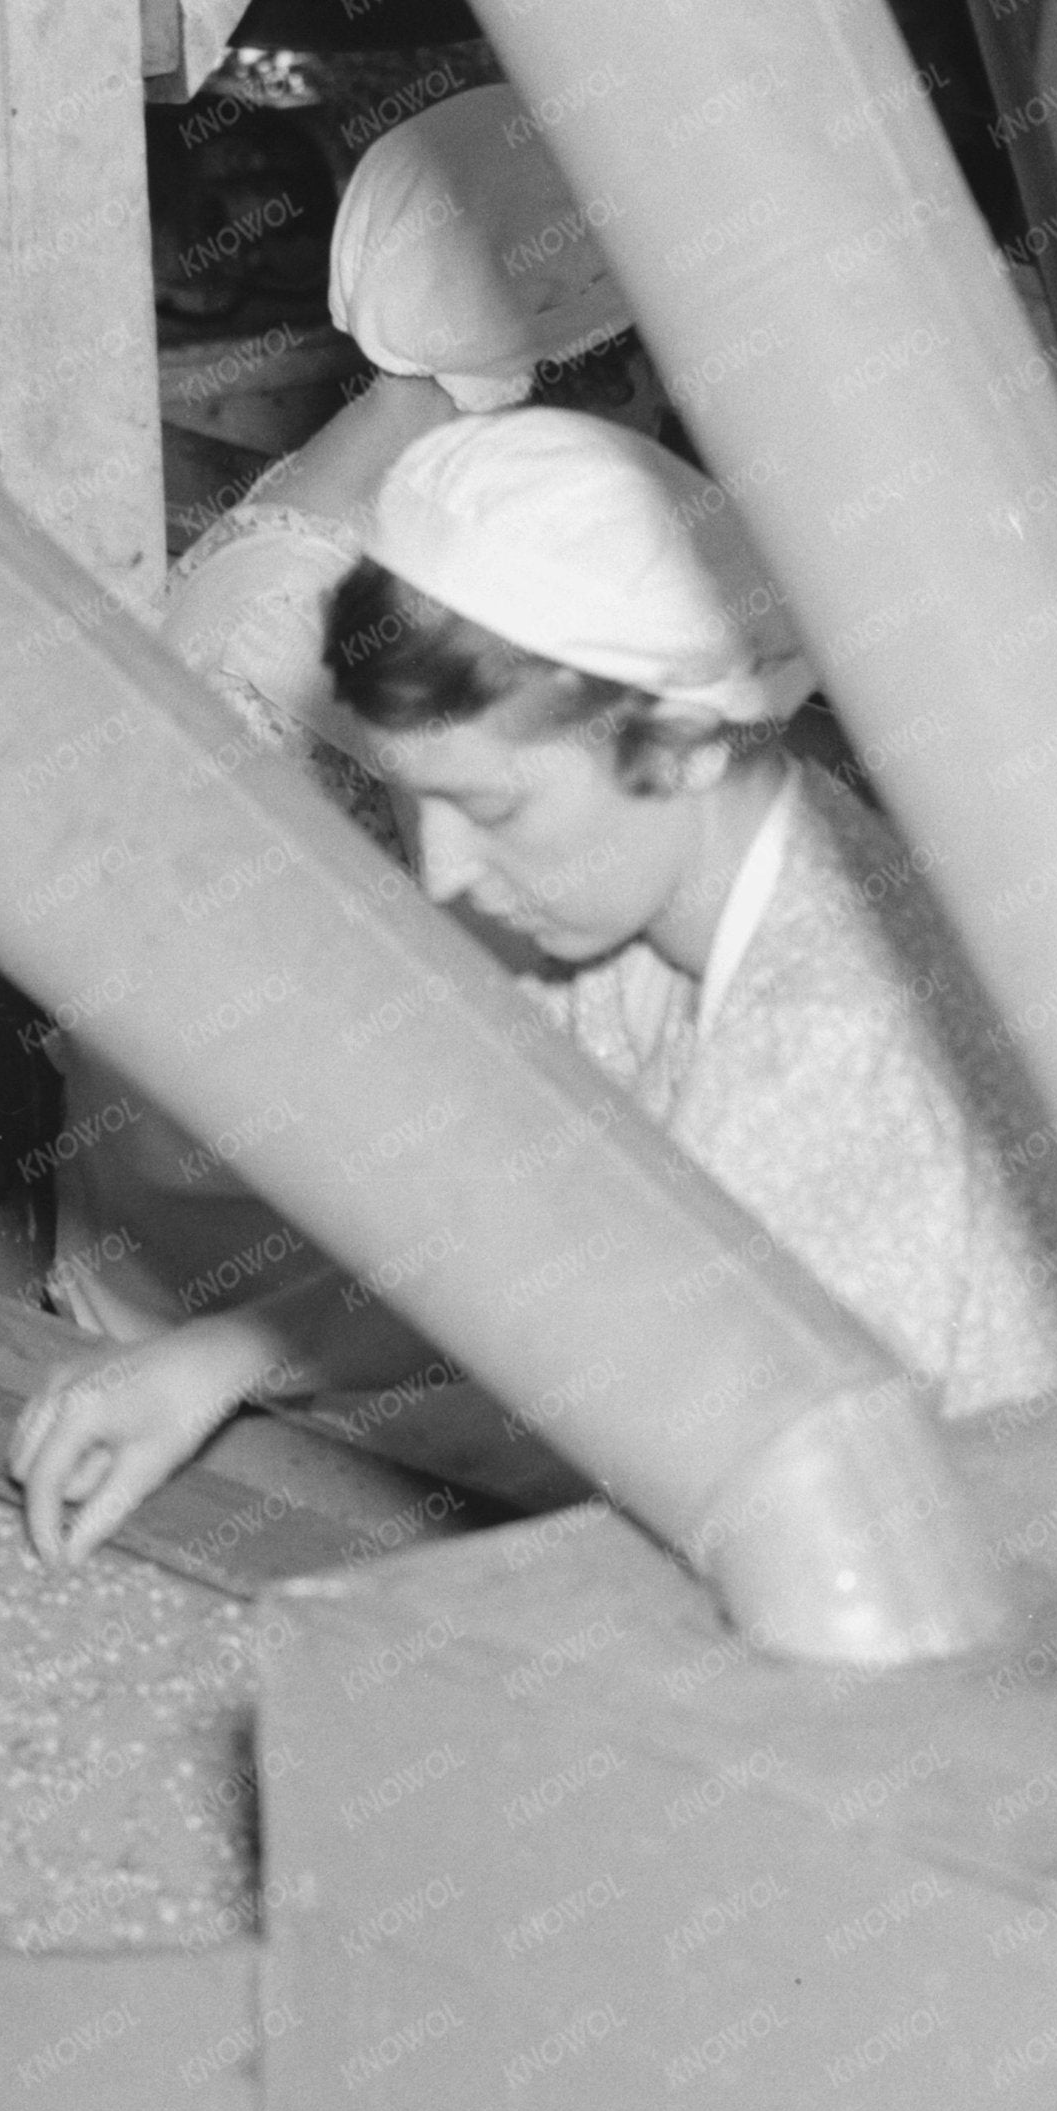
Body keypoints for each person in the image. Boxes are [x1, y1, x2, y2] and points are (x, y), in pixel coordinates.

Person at [13, 412, 1057, 1564]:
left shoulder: (826, 1064)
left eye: (493, 809)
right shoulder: (669, 879)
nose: (443, 869)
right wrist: (226, 1355)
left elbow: (834, 1560)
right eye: (418, 800)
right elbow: (522, 1229)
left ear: (687, 740)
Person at [49, 83, 653, 1348]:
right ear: (566, 360)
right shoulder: (328, 620)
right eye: (626, 367)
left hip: (179, 1219)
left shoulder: (319, 501)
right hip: (246, 1275)